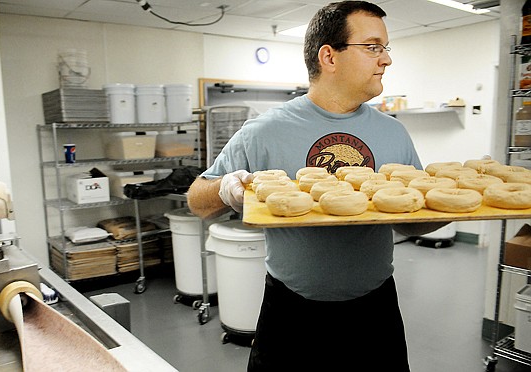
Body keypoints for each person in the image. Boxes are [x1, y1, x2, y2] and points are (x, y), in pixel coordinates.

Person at [187, 1, 445, 370]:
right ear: (329, 56)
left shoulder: (393, 133)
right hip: (292, 311)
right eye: (373, 47)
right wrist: (224, 190)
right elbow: (197, 201)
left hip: (375, 308)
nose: (386, 59)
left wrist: (452, 209)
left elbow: (407, 220)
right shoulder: (265, 130)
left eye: (386, 49)